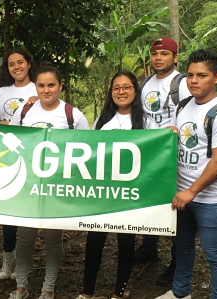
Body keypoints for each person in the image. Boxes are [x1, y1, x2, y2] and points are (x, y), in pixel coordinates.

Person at [155, 49, 217, 299]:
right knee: (182, 247)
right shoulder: (183, 105)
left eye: (201, 75)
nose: (194, 80)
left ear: (216, 78)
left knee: (214, 254)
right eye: (190, 75)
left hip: (210, 199)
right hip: (182, 195)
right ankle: (180, 292)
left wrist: (192, 191)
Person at [8, 63, 89, 299]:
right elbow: (11, 140)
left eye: (51, 85)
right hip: (28, 184)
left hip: (57, 186)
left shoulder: (72, 114)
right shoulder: (25, 112)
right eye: (41, 85)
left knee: (53, 238)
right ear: (35, 86)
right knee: (25, 238)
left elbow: (88, 149)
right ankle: (21, 287)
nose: (46, 90)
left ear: (60, 86)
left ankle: (48, 289)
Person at [75, 70, 158, 299]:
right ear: (111, 93)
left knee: (126, 242)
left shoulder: (146, 121)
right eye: (116, 88)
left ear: (135, 90)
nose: (121, 92)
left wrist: (167, 136)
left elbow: (156, 152)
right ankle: (87, 292)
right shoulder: (102, 121)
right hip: (103, 194)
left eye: (126, 87)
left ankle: (119, 292)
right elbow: (90, 153)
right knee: (94, 241)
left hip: (129, 193)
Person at [136, 37, 191, 287]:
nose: (158, 58)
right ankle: (149, 246)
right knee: (151, 199)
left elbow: (192, 115)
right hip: (150, 152)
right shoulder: (146, 83)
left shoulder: (182, 84)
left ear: (175, 57)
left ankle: (177, 262)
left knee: (177, 208)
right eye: (155, 53)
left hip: (175, 157)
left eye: (165, 53)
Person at [0, 48, 38, 281]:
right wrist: (0, 123)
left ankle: (22, 257)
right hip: (6, 155)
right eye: (11, 64)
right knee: (7, 210)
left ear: (29, 64)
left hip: (31, 155)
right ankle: (7, 255)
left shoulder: (39, 87)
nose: (16, 67)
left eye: (21, 62)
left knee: (25, 210)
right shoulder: (1, 92)